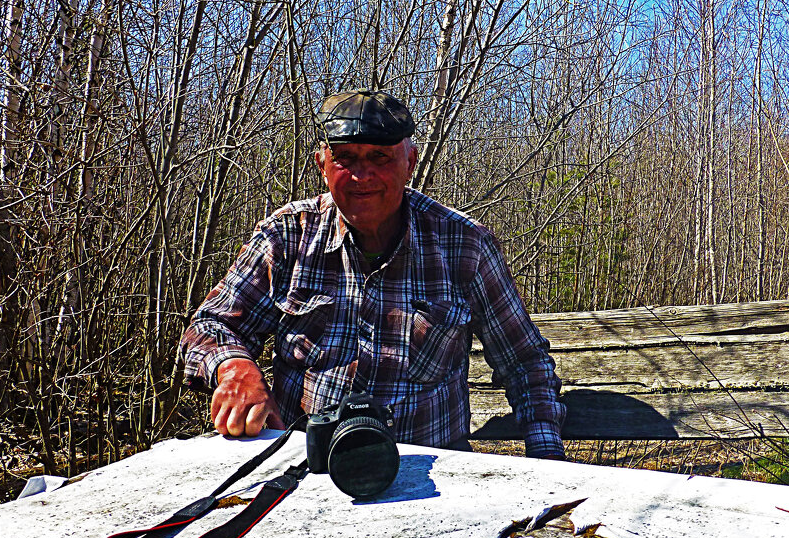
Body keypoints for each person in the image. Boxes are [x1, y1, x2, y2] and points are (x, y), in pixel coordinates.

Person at [178, 89, 566, 458]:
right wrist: (233, 367)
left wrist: (546, 458)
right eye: (345, 158)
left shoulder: (464, 246)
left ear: (410, 163)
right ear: (322, 165)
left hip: (434, 476)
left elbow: (524, 364)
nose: (362, 176)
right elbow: (208, 326)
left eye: (380, 158)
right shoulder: (287, 237)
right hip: (303, 471)